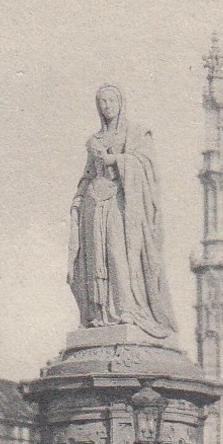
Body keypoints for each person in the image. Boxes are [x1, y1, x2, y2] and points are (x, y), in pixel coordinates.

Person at [67, 84, 177, 339]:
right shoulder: (93, 141)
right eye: (102, 102)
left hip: (121, 202)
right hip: (93, 206)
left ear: (120, 103)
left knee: (118, 254)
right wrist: (77, 200)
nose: (106, 106)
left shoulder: (136, 133)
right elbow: (87, 175)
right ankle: (99, 313)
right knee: (96, 257)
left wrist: (116, 160)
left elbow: (146, 164)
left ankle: (127, 308)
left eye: (111, 101)